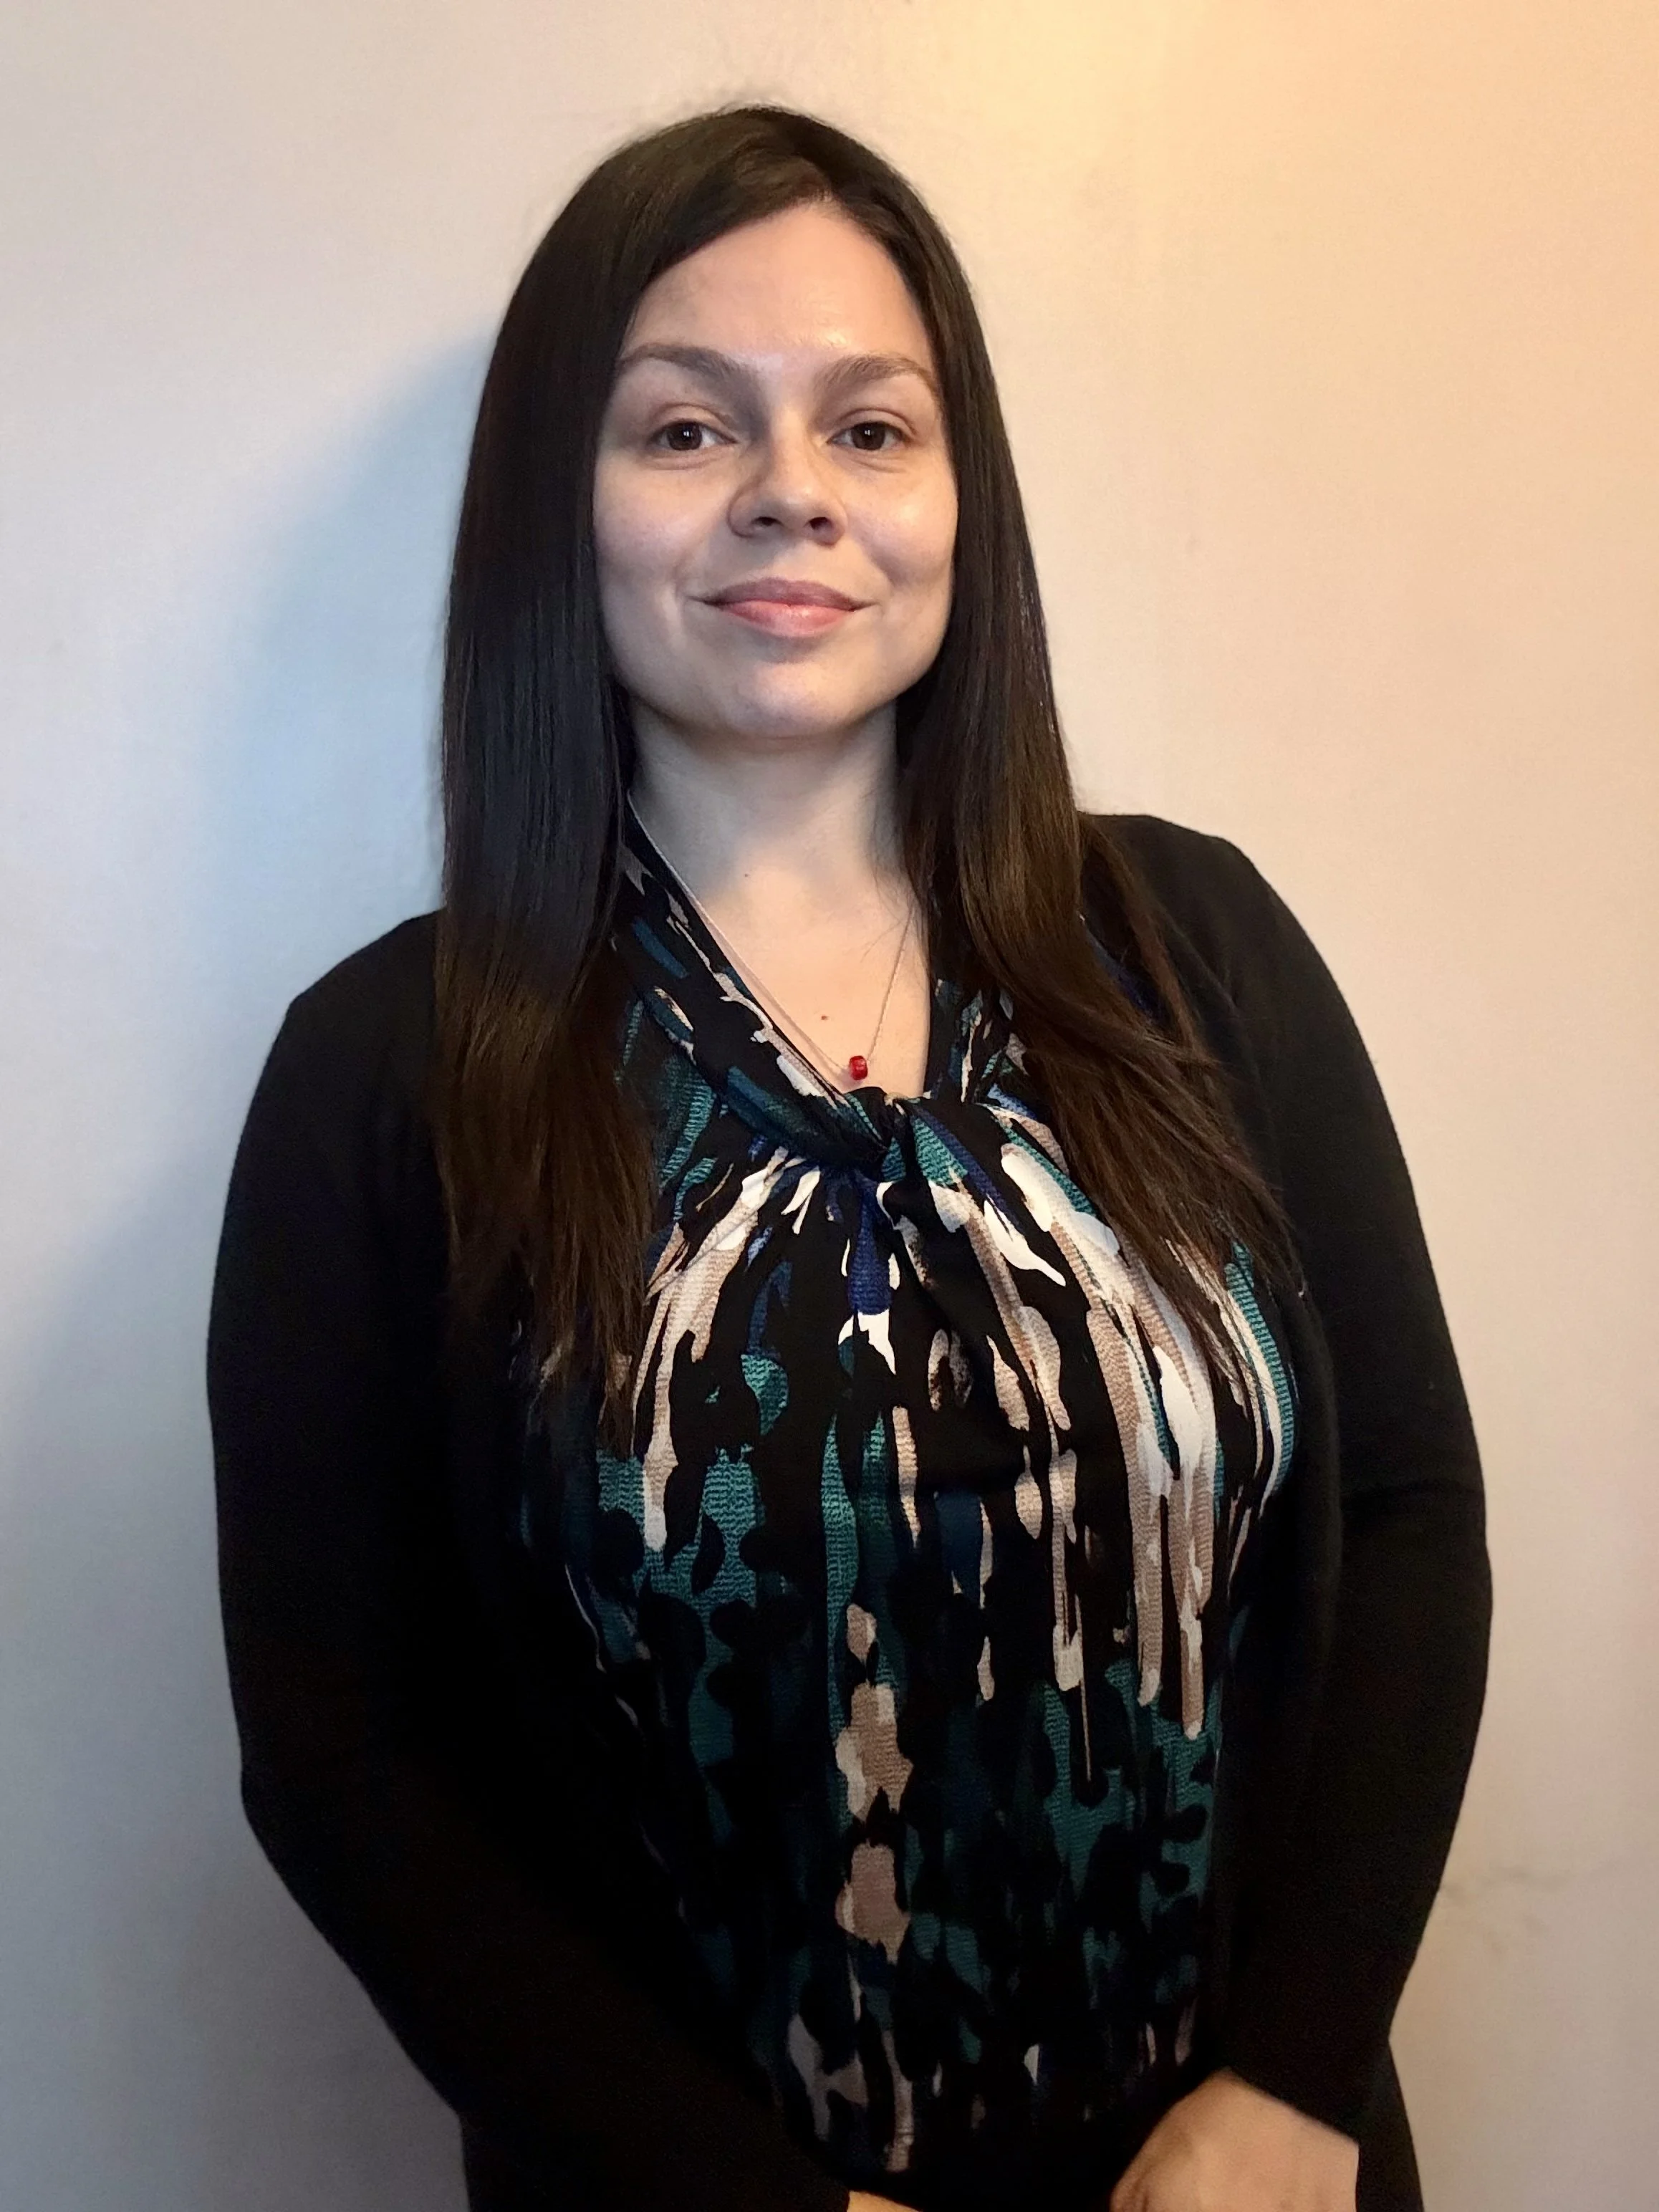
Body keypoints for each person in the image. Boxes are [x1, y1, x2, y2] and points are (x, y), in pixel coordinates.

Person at [206, 105, 1491, 2212]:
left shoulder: (1197, 950)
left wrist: (1293, 2088)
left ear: (957, 500)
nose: (791, 492)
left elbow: (1406, 1516)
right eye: (687, 430)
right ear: (561, 505)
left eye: (869, 429)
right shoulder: (388, 1074)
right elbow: (345, 1753)